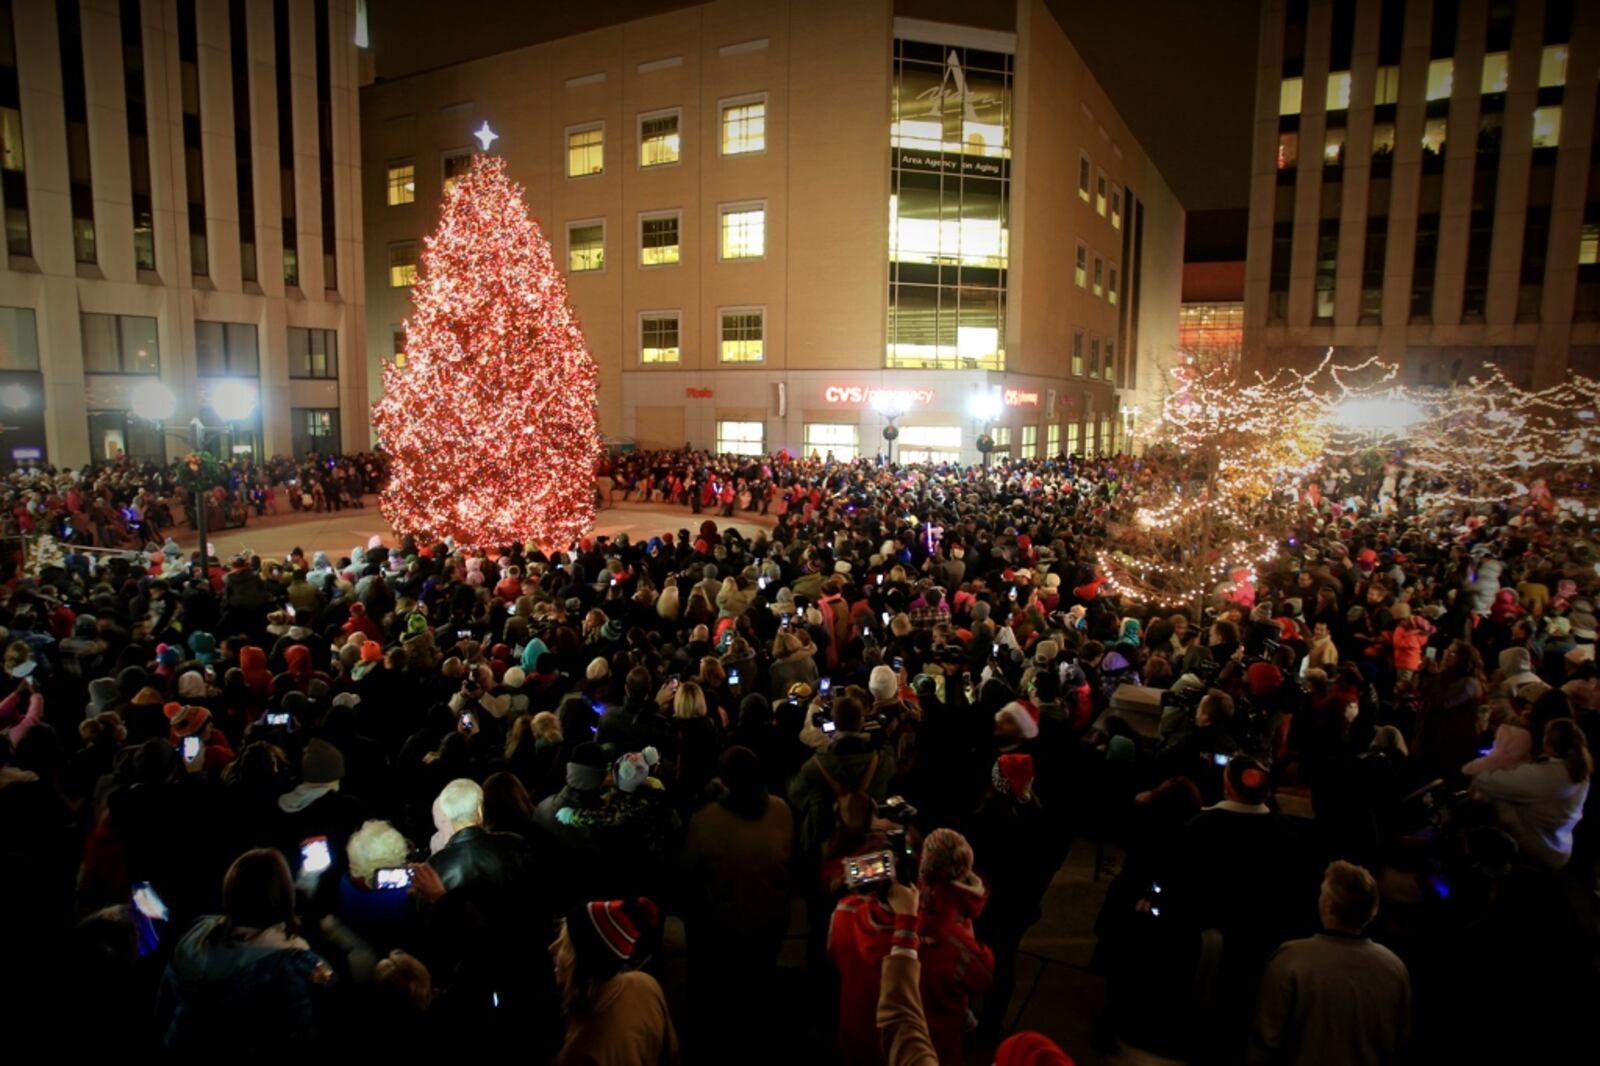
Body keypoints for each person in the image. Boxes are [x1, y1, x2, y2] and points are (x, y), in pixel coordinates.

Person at [677, 746, 794, 1062]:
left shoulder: (706, 819)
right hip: (772, 920)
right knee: (759, 983)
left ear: (724, 781)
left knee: (724, 997)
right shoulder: (782, 811)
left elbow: (684, 870)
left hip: (723, 927)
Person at [156, 848, 337, 1051]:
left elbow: (163, 1009)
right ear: (283, 897)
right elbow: (312, 1028)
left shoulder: (194, 936)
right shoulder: (294, 968)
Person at [1248, 860, 1411, 1065]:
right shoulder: (1394, 968)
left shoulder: (1291, 959)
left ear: (1328, 905)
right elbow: (1400, 1040)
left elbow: (1265, 1038)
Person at [551, 898, 680, 1066]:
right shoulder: (645, 984)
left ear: (583, 963)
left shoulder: (582, 1053)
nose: (552, 948)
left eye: (564, 945)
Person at [1470, 718, 1593, 869]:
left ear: (1548, 742)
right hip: (1559, 845)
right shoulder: (1578, 771)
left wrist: (1489, 762)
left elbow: (1488, 781)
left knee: (1494, 801)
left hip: (1538, 846)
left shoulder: (1547, 775)